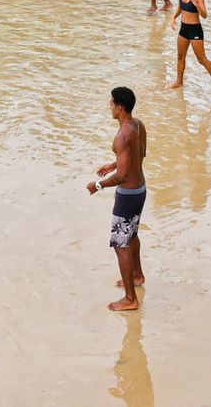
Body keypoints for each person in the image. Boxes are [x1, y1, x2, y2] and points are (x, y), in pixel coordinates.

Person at [86, 86, 148, 312]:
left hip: (127, 195)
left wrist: (98, 185)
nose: (109, 107)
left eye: (111, 103)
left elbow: (122, 176)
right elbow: (139, 154)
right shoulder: (138, 125)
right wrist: (113, 163)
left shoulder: (122, 135)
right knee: (132, 235)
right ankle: (137, 275)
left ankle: (130, 298)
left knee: (120, 245)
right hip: (140, 190)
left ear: (119, 107)